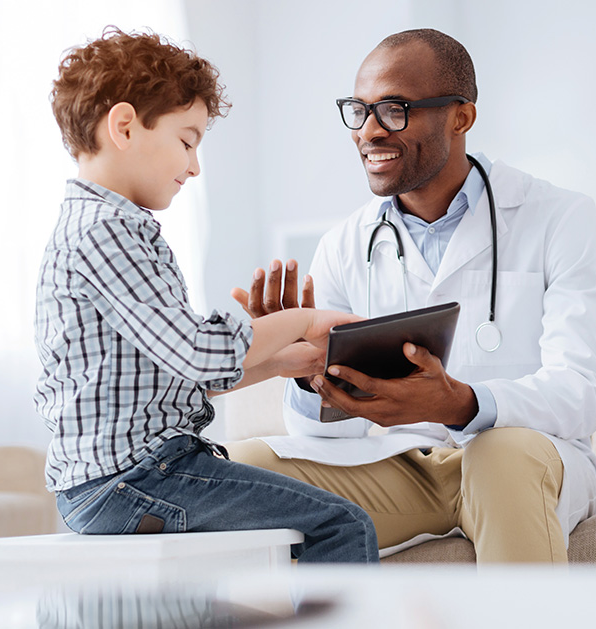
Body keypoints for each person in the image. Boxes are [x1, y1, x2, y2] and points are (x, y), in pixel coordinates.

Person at [227, 28, 596, 563]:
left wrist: (462, 403)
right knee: (240, 468)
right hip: (403, 467)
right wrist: (303, 369)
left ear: (461, 116)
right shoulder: (345, 243)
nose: (369, 131)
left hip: (524, 454)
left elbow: (582, 390)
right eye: (358, 111)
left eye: (393, 109)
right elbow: (322, 431)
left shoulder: (559, 217)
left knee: (499, 455)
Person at [33, 28, 378, 563]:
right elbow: (198, 353)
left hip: (119, 480)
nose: (194, 167)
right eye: (187, 141)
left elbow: (173, 378)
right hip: (134, 479)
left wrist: (288, 363)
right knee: (341, 525)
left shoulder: (104, 226)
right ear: (124, 126)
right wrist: (305, 320)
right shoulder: (109, 231)